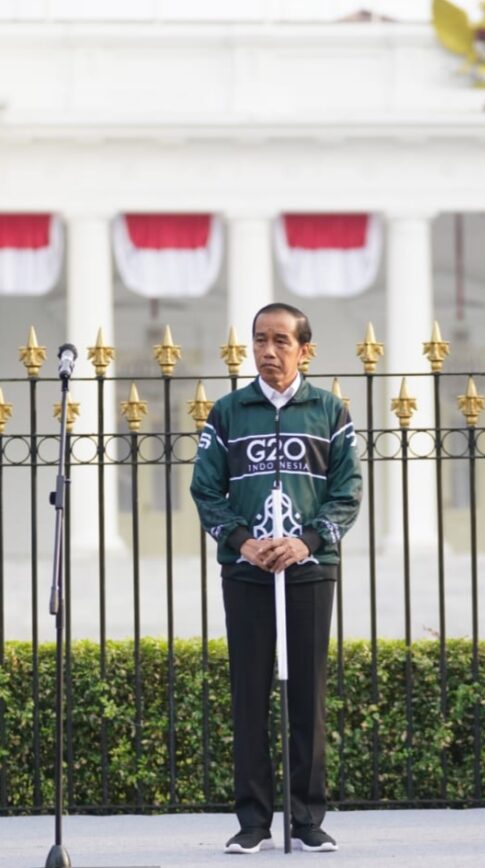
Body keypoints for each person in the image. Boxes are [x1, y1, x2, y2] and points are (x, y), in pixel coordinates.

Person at [191, 303, 362, 854]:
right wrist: (242, 541)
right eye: (260, 341)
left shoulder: (330, 411)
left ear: (304, 349)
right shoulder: (227, 413)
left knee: (307, 695)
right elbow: (205, 490)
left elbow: (348, 491)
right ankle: (253, 821)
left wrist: (305, 542)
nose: (268, 352)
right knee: (249, 693)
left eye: (281, 341)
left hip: (310, 572)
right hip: (246, 573)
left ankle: (308, 819)